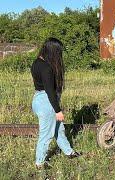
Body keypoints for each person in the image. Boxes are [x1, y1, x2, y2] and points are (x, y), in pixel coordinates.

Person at [31, 38, 81, 168]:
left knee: (59, 129)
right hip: (47, 102)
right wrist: (58, 111)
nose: (60, 55)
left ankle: (69, 152)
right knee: (46, 134)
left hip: (38, 99)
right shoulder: (47, 68)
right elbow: (50, 92)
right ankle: (39, 162)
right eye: (58, 52)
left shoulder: (37, 62)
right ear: (53, 51)